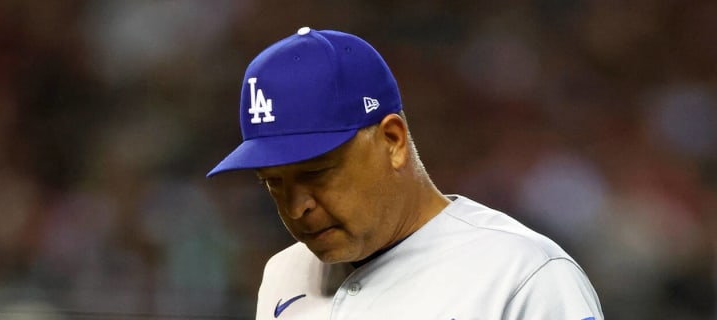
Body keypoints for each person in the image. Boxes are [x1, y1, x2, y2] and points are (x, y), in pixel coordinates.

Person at [207, 27, 603, 320]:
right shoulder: (284, 274)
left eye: (316, 173)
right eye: (274, 183)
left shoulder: (522, 273)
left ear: (393, 140)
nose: (297, 208)